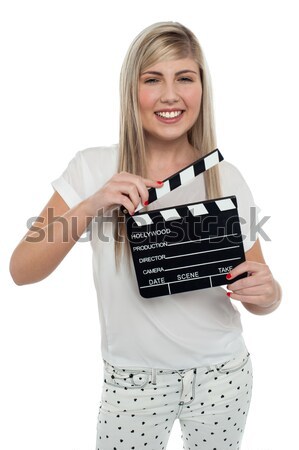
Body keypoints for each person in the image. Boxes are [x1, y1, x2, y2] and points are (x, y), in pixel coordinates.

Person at [9, 21, 282, 450]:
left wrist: (268, 295)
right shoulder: (93, 168)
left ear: (202, 90)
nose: (170, 94)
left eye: (184, 78)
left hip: (222, 375)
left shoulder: (225, 178)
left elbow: (264, 293)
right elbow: (21, 270)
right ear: (131, 90)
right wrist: (92, 203)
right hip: (132, 381)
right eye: (152, 79)